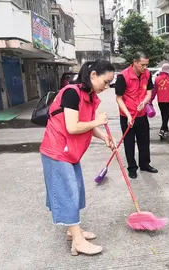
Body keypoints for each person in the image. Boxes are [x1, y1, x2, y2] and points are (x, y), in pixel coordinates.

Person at [40, 60, 115, 256]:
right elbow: (73, 126)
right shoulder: (72, 93)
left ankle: (72, 230)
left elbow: (88, 125)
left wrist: (104, 136)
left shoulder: (88, 95)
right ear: (93, 76)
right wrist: (98, 121)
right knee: (68, 192)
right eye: (105, 82)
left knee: (77, 190)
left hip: (70, 152)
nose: (106, 87)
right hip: (57, 151)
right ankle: (78, 241)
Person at [115, 51, 158, 179]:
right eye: (142, 65)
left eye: (147, 65)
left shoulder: (147, 74)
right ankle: (132, 168)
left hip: (141, 114)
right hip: (127, 116)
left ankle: (145, 164)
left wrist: (144, 102)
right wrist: (128, 115)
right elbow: (119, 98)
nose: (145, 68)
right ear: (135, 62)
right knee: (129, 143)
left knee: (144, 141)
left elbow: (149, 93)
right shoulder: (123, 76)